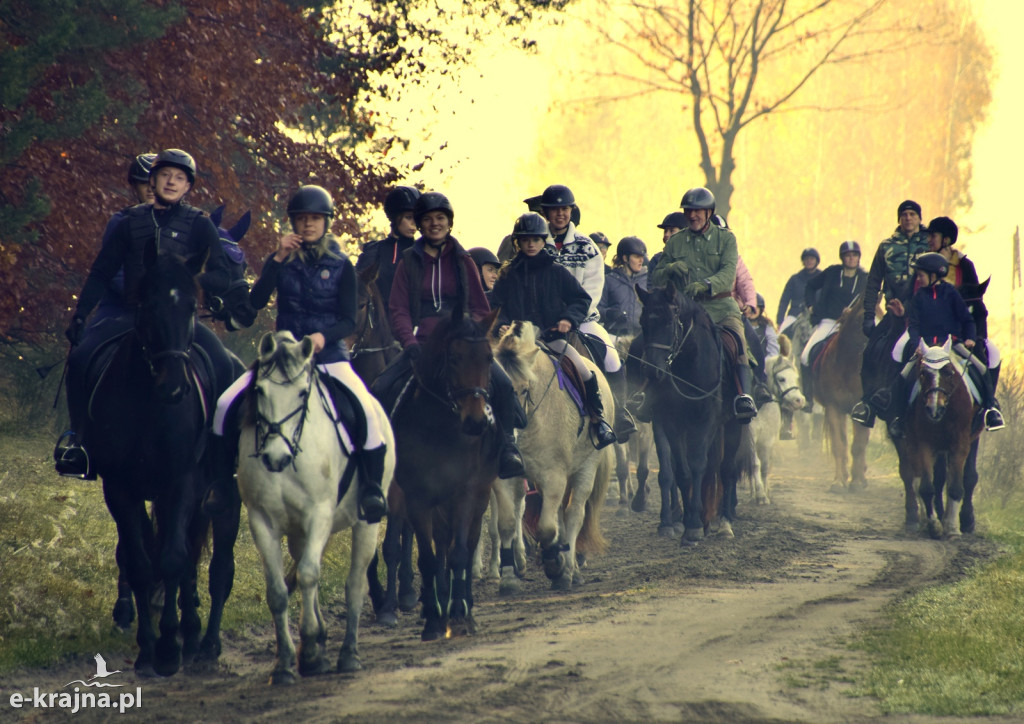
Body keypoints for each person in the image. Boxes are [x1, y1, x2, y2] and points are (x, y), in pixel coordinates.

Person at [211, 185, 390, 521]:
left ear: (326, 223)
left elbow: (350, 319)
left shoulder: (342, 265)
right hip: (283, 354)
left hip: (330, 354)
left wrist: (324, 336)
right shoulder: (281, 261)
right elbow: (255, 302)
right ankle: (221, 484)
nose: (308, 225)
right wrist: (276, 260)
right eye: (302, 219)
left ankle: (371, 490)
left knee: (367, 412)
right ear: (293, 222)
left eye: (315, 219)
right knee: (224, 404)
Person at [55, 149, 237, 478]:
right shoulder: (129, 222)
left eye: (179, 177)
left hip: (178, 321)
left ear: (188, 187)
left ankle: (217, 447)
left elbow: (223, 275)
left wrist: (188, 280)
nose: (171, 181)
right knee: (81, 357)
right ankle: (78, 441)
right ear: (152, 180)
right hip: (129, 314)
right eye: (165, 175)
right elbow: (101, 272)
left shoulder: (200, 224)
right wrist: (81, 315)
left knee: (223, 363)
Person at [377, 191, 526, 478]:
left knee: (505, 386)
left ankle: (508, 448)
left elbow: (481, 309)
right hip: (421, 344)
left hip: (462, 345)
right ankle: (378, 461)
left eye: (440, 218)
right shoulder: (408, 261)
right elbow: (398, 309)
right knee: (381, 386)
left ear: (449, 223)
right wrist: (408, 343)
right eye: (429, 219)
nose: (435, 224)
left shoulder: (463, 260)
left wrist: (475, 339)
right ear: (420, 225)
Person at [491, 213, 617, 448]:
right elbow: (496, 306)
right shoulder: (507, 274)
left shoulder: (556, 271)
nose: (531, 244)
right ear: (517, 242)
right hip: (515, 343)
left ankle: (599, 421)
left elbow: (581, 299)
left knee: (584, 370)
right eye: (526, 240)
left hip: (551, 338)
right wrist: (501, 325)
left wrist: (568, 319)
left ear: (542, 241)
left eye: (536, 240)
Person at [650, 186, 756, 420]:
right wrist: (669, 268)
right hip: (684, 311)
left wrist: (706, 285)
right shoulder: (675, 242)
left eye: (698, 211)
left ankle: (743, 396)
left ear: (709, 213)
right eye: (688, 211)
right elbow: (655, 277)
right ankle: (648, 396)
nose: (692, 215)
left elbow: (729, 273)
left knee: (738, 342)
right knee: (657, 339)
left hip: (720, 307)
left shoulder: (726, 238)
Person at [540, 183, 635, 440]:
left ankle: (620, 412)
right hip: (540, 322)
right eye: (555, 210)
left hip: (582, 320)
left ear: (571, 211)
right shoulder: (536, 242)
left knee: (612, 358)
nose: (560, 214)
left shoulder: (587, 246)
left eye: (565, 209)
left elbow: (592, 289)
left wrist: (570, 317)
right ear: (546, 212)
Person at [884, 252, 1003, 436]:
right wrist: (916, 343)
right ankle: (899, 418)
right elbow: (914, 325)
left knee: (982, 369)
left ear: (934, 275)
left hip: (952, 344)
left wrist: (970, 337)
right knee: (903, 374)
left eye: (921, 274)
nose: (919, 278)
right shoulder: (919, 297)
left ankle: (990, 410)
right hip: (925, 347)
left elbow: (967, 320)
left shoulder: (951, 294)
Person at [851, 199, 931, 426]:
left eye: (912, 214)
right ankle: (867, 404)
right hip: (895, 315)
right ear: (899, 218)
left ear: (919, 218)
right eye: (904, 214)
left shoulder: (929, 244)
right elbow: (873, 282)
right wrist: (868, 315)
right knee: (870, 351)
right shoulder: (886, 247)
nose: (908, 218)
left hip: (926, 315)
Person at [799, 241, 868, 410]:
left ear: (859, 258)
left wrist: (852, 312)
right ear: (842, 257)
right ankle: (808, 397)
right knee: (805, 355)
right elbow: (811, 286)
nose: (851, 258)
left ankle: (870, 398)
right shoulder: (831, 272)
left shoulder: (865, 278)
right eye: (848, 255)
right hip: (829, 322)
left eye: (854, 255)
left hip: (854, 326)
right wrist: (811, 306)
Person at [356, 185, 420, 304]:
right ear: (395, 218)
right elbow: (360, 289)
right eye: (408, 217)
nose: (414, 223)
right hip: (380, 319)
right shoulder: (374, 251)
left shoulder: (422, 250)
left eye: (417, 218)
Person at [598, 236, 648, 341]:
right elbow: (597, 310)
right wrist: (609, 313)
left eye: (642, 257)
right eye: (636, 256)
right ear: (625, 258)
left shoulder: (647, 280)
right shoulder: (609, 280)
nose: (641, 260)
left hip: (640, 339)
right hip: (614, 338)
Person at [776, 248, 821, 335]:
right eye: (806, 259)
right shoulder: (794, 279)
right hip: (794, 315)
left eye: (812, 259)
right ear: (803, 261)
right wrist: (779, 321)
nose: (809, 261)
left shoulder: (823, 278)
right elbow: (784, 300)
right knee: (780, 337)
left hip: (815, 316)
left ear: (816, 261)